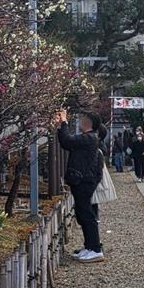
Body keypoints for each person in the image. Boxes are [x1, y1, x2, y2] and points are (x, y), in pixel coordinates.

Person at [58, 111, 106, 263]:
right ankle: (90, 246)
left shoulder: (89, 138)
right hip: (84, 180)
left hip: (84, 181)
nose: (80, 121)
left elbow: (66, 141)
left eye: (83, 119)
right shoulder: (89, 138)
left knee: (87, 215)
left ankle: (95, 249)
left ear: (89, 122)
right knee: (83, 214)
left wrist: (64, 122)